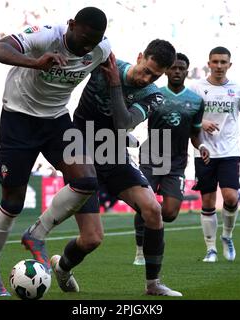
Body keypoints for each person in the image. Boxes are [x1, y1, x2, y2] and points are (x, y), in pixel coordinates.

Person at [0, 7, 111, 297]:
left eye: (96, 40)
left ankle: (36, 234)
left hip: (56, 121)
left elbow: (110, 65)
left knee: (86, 180)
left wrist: (116, 85)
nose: (89, 46)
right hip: (18, 119)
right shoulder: (44, 36)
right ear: (71, 25)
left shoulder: (101, 48)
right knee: (12, 202)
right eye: (85, 38)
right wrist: (35, 63)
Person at [49, 40, 182, 296]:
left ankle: (153, 285)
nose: (146, 78)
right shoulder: (103, 65)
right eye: (146, 69)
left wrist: (114, 85)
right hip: (81, 150)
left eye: (154, 75)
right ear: (140, 55)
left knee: (153, 209)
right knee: (92, 239)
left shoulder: (154, 95)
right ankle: (63, 267)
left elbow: (123, 125)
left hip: (112, 152)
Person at [189, 46, 240, 263]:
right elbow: (188, 118)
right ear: (209, 63)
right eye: (215, 62)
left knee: (231, 198)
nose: (219, 66)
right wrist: (201, 122)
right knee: (207, 201)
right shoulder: (196, 88)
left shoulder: (238, 90)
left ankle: (227, 236)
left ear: (229, 65)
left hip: (230, 150)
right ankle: (211, 249)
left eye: (223, 62)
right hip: (203, 150)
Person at [132, 53, 210, 266]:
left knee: (169, 213)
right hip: (151, 156)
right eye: (173, 67)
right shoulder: (153, 94)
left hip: (176, 162)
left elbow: (196, 133)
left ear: (187, 71)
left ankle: (152, 229)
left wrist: (201, 145)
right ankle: (140, 250)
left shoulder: (196, 101)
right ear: (166, 70)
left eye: (181, 68)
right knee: (144, 205)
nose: (177, 71)